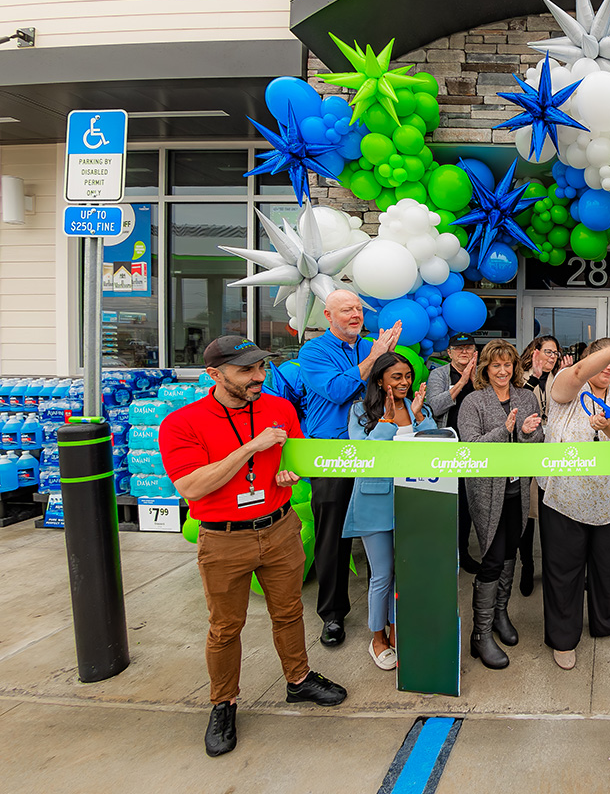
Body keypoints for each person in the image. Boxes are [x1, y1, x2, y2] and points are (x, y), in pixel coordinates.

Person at [160, 336, 347, 758]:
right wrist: (251, 447)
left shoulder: (280, 408)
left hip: (280, 528)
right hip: (224, 538)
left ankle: (298, 680)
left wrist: (289, 473)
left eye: (261, 367)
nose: (258, 377)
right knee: (226, 627)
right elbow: (191, 486)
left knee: (289, 612)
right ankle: (223, 703)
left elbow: (294, 461)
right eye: (246, 370)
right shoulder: (182, 423)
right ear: (214, 374)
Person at [298, 289, 403, 647]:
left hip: (375, 451)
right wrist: (375, 357)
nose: (355, 314)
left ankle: (384, 613)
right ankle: (332, 615)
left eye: (358, 308)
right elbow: (336, 390)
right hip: (333, 454)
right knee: (332, 537)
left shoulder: (373, 347)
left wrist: (386, 360)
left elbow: (391, 387)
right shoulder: (313, 352)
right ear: (328, 316)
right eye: (346, 310)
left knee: (380, 530)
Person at [541, 337, 610, 670]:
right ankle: (563, 638)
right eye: (606, 361)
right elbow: (579, 372)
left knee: (607, 566)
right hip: (565, 497)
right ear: (590, 359)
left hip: (609, 497)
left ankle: (608, 622)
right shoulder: (566, 385)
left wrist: (608, 425)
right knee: (564, 571)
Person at [344, 352, 435, 672]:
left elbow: (437, 446)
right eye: (397, 376)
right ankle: (377, 637)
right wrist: (386, 422)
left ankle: (397, 628)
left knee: (404, 572)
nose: (404, 382)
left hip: (412, 501)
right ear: (380, 380)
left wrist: (419, 416)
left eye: (408, 376)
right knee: (382, 574)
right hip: (374, 501)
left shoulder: (417, 408)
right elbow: (365, 454)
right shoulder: (359, 410)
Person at [458, 340, 544, 669]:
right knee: (492, 558)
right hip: (486, 491)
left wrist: (527, 432)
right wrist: (504, 430)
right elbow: (471, 447)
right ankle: (480, 634)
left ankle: (500, 614)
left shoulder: (526, 397)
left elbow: (535, 441)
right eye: (496, 365)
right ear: (486, 368)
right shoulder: (473, 401)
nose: (503, 370)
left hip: (517, 490)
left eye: (508, 364)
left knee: (510, 553)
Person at [426, 332, 481, 574]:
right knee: (447, 502)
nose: (464, 352)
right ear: (449, 353)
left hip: (474, 448)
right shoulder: (439, 374)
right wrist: (461, 382)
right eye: (458, 348)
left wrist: (475, 380)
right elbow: (434, 407)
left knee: (467, 504)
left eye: (468, 347)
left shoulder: (482, 375)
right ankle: (445, 553)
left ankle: (463, 552)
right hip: (447, 447)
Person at [517, 335, 564, 596]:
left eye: (555, 353)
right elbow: (517, 404)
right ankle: (527, 566)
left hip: (552, 451)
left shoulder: (559, 378)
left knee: (552, 513)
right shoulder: (520, 376)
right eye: (548, 351)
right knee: (527, 513)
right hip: (528, 450)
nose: (552, 357)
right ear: (534, 352)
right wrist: (534, 377)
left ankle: (552, 568)